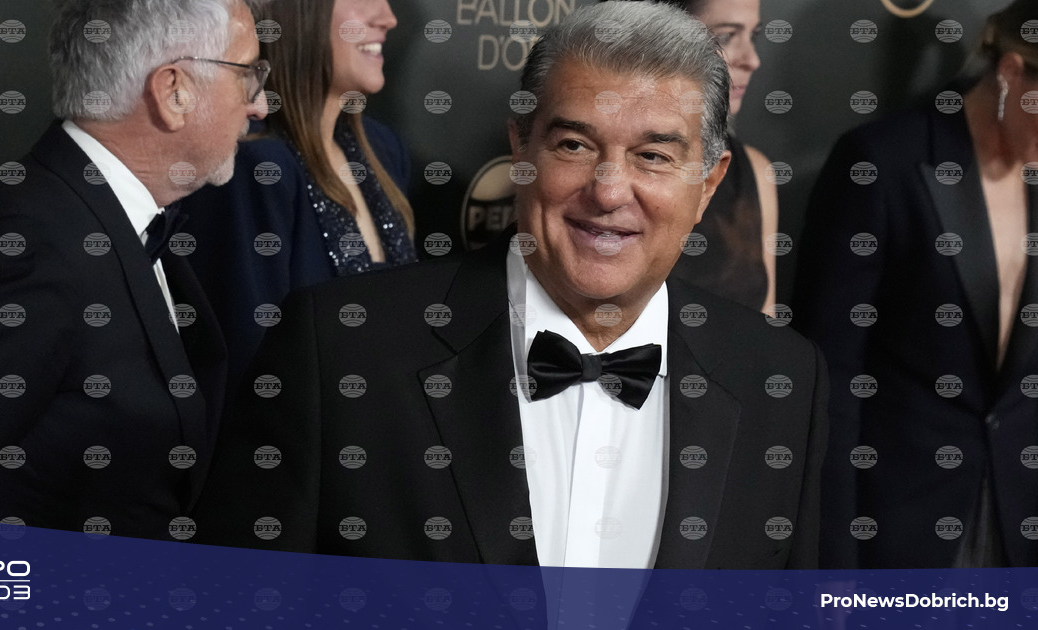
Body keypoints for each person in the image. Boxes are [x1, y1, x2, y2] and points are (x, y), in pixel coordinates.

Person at [193, 1, 828, 569]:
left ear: (708, 184)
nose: (609, 191)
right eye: (575, 145)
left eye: (653, 156)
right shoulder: (340, 352)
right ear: (521, 149)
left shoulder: (781, 383)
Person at [0, 0, 267, 540]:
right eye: (247, 74)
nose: (259, 104)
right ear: (173, 91)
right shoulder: (27, 248)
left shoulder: (110, 220)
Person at [795, 0, 1038, 569]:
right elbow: (830, 376)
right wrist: (833, 560)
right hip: (897, 526)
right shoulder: (881, 164)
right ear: (1011, 73)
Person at [180, 0, 416, 401]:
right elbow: (249, 377)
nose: (388, 18)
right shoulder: (258, 168)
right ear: (299, 15)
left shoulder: (383, 150)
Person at [618, 0, 778, 314]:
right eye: (726, 37)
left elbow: (766, 326)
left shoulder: (755, 172)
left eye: (753, 36)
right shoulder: (602, 172)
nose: (752, 60)